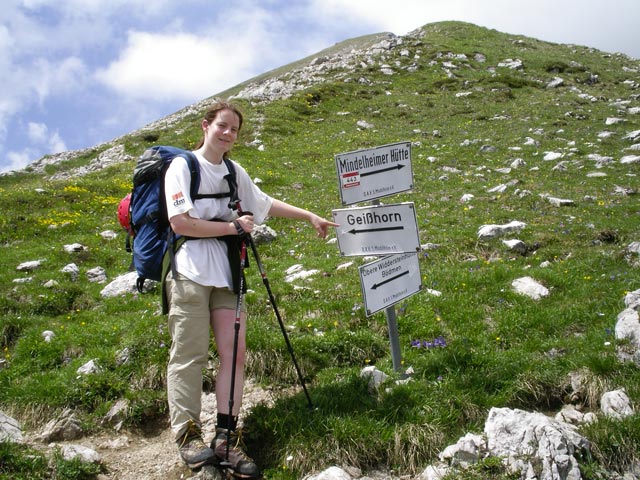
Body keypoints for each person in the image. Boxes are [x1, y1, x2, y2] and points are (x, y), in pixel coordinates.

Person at [163, 100, 337, 476]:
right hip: (190, 270)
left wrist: (308, 216)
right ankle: (187, 435)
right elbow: (180, 223)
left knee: (236, 353)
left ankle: (227, 436)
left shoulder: (233, 170)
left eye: (234, 130)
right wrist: (231, 227)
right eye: (222, 126)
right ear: (205, 125)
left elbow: (265, 204)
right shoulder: (182, 166)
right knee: (189, 354)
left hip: (227, 275)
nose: (228, 134)